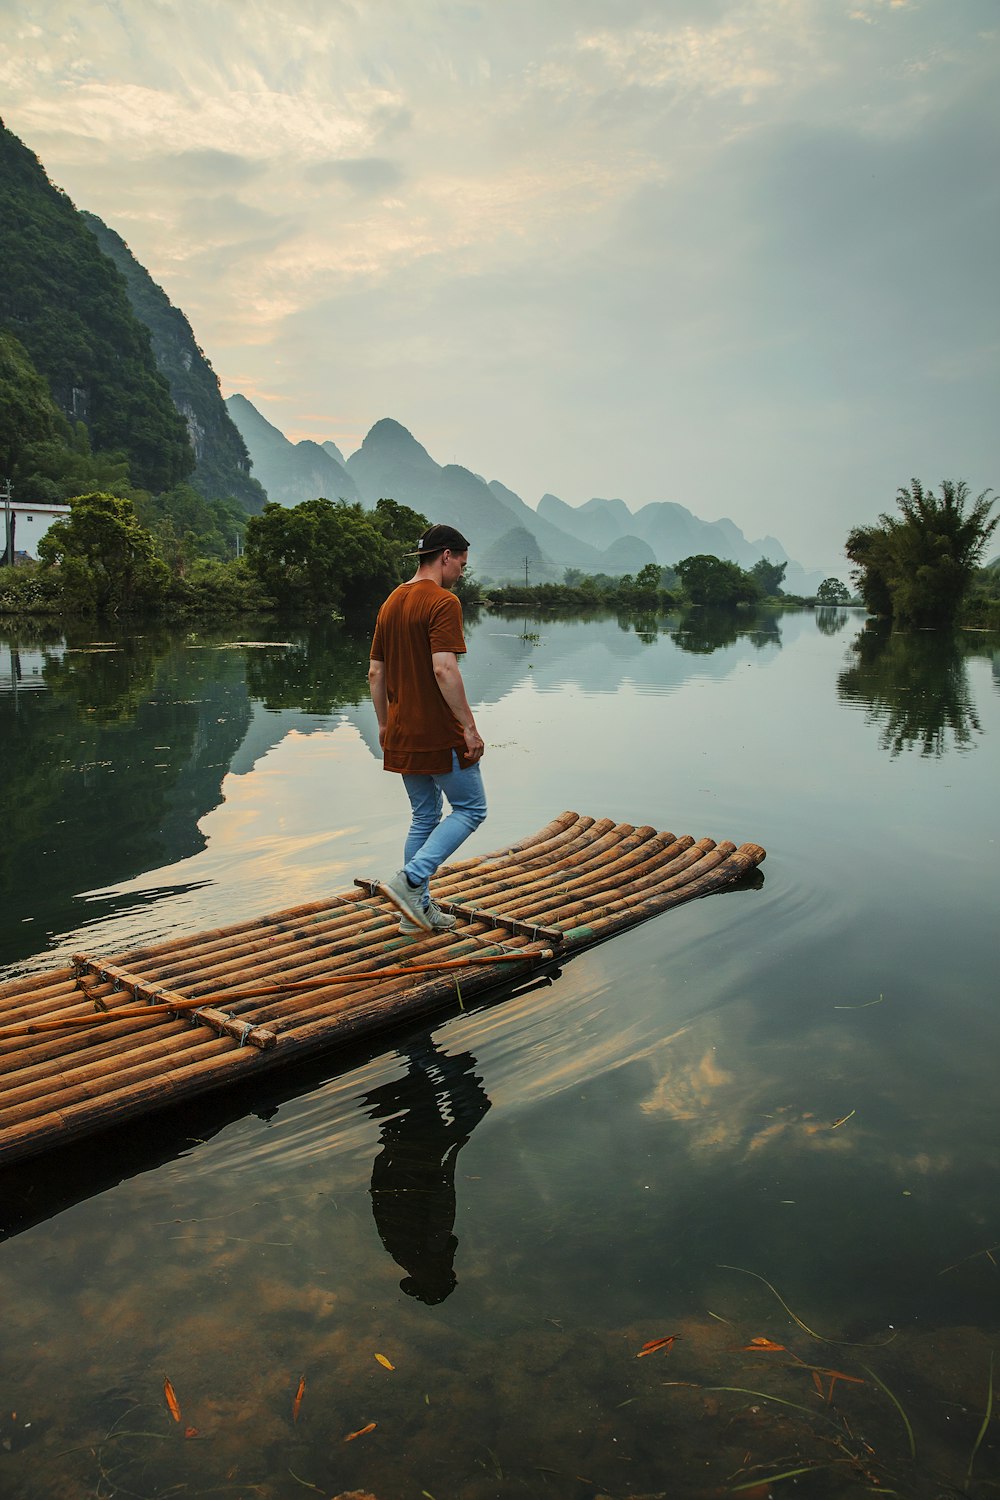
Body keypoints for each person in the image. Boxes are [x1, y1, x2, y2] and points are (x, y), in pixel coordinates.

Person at [368, 523, 487, 933]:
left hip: (401, 730)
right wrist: (469, 728)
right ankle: (411, 880)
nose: (461, 573)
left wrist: (384, 725)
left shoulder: (390, 602)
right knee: (472, 809)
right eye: (462, 564)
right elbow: (443, 667)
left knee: (424, 816)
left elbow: (375, 673)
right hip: (438, 731)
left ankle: (414, 914)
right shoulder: (442, 601)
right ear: (446, 556)